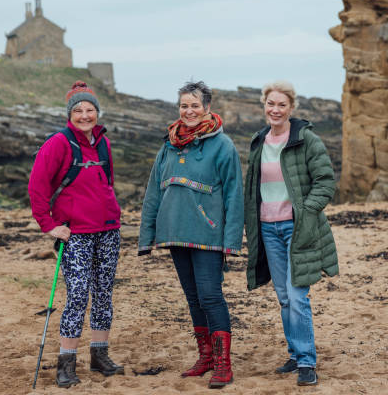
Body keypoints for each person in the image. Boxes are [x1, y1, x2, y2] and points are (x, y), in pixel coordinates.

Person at [138, 81, 243, 389]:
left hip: (208, 233)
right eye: (184, 106)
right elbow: (154, 192)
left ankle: (223, 365)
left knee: (211, 295)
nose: (189, 111)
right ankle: (206, 357)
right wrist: (147, 236)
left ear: (207, 108)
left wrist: (232, 241)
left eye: (195, 105)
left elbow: (234, 196)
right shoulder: (168, 145)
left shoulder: (222, 146)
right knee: (193, 298)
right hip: (174, 233)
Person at [28, 81, 124, 388]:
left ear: (98, 112)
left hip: (108, 230)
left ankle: (100, 355)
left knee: (104, 294)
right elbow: (37, 186)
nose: (85, 115)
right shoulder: (58, 143)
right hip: (76, 234)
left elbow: (106, 182)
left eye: (90, 110)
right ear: (70, 114)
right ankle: (66, 363)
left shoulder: (103, 143)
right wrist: (49, 225)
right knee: (78, 296)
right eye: (79, 110)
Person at [244, 81, 339, 387]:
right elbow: (252, 189)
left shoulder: (305, 139)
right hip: (268, 228)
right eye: (270, 104)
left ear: (291, 108)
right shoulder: (259, 141)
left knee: (298, 295)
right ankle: (296, 354)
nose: (275, 109)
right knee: (284, 297)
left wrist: (306, 212)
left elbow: (325, 181)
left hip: (297, 228)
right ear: (264, 105)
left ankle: (308, 362)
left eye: (281, 105)